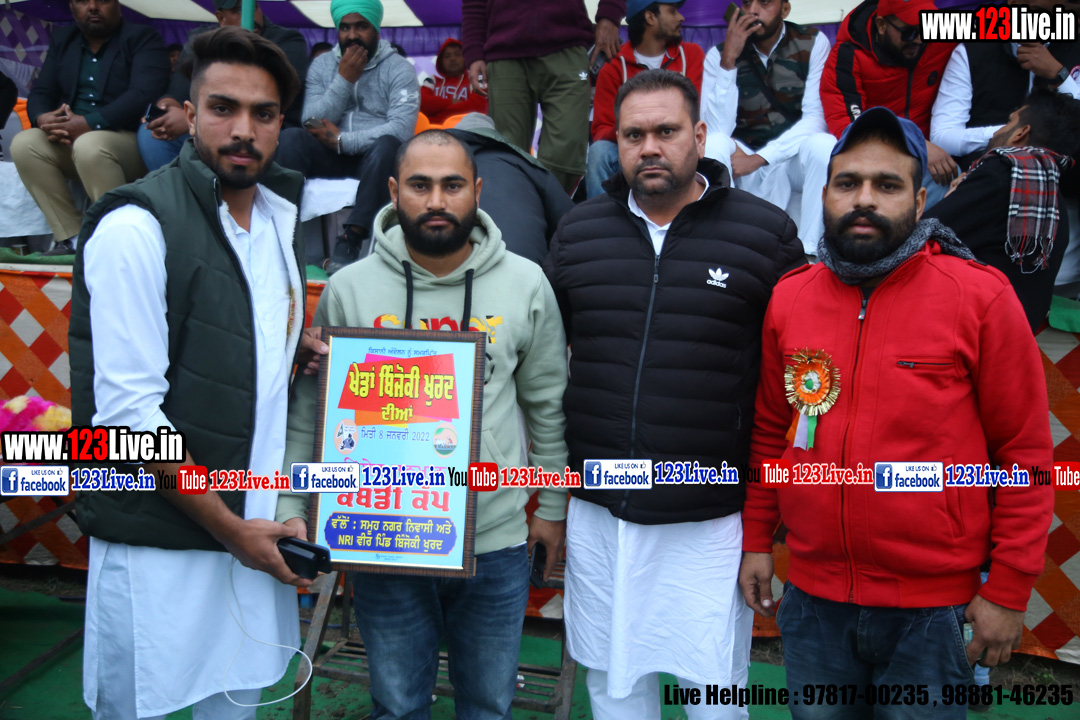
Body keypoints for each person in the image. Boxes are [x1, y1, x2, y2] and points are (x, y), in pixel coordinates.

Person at [740, 107, 1055, 718]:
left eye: (887, 185)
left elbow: (1025, 456)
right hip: (814, 600)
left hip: (933, 613)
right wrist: (757, 540)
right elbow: (771, 433)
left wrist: (1009, 589)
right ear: (825, 194)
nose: (864, 199)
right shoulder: (790, 297)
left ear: (920, 199)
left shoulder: (980, 296)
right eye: (848, 183)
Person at [68, 26, 320, 720]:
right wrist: (231, 530)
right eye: (222, 108)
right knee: (138, 706)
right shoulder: (137, 226)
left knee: (234, 707)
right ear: (187, 111)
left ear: (281, 123)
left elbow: (229, 336)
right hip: (163, 541)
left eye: (263, 113)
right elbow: (129, 419)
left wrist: (290, 350)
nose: (243, 130)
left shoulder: (278, 217)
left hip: (252, 528)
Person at [282, 129, 570, 720]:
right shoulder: (349, 288)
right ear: (393, 192)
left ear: (477, 191)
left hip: (495, 541)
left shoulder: (526, 283)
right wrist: (291, 502)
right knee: (396, 705)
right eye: (420, 185)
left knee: (488, 706)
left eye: (452, 185)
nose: (436, 200)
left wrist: (551, 508)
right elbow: (311, 410)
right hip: (382, 538)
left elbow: (547, 405)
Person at [544, 70, 803, 719]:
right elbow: (543, 360)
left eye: (666, 131)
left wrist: (763, 524)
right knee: (613, 688)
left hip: (707, 519)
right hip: (603, 511)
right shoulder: (578, 234)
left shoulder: (765, 235)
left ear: (700, 135)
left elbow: (792, 387)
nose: (650, 148)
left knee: (713, 694)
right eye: (634, 135)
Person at [10, 0, 169, 255]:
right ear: (72, 7)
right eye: (83, 0)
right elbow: (42, 91)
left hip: (128, 140)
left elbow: (143, 93)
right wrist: (43, 119)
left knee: (89, 144)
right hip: (73, 139)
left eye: (102, 0)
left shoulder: (142, 38)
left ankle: (116, 239)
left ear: (117, 4)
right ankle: (71, 237)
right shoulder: (64, 39)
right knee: (24, 143)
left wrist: (88, 123)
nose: (93, 7)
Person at [275, 0, 419, 275]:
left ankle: (351, 238)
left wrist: (343, 140)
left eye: (361, 26)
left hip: (374, 159)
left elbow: (400, 129)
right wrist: (344, 79)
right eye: (345, 28)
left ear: (376, 29)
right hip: (327, 154)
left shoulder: (399, 68)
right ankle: (281, 229)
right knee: (292, 138)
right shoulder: (322, 66)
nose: (352, 35)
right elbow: (310, 121)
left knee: (389, 146)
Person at [926, 90, 1080, 331]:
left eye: (1008, 122)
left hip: (965, 329)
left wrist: (950, 198)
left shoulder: (1002, 172)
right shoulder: (1053, 196)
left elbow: (920, 235)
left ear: (1020, 133)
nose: (998, 131)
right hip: (1012, 338)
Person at [702, 0, 835, 256]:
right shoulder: (718, 55)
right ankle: (719, 249)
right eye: (747, 2)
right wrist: (729, 61)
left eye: (764, 2)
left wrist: (761, 158)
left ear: (785, 9)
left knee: (824, 146)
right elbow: (716, 129)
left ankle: (811, 253)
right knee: (714, 143)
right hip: (742, 160)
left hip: (790, 159)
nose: (753, 10)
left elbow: (816, 120)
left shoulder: (813, 43)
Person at [462, 0, 627, 193]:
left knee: (567, 152)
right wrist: (474, 52)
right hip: (504, 52)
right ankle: (522, 208)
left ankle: (544, 206)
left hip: (567, 44)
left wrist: (609, 17)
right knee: (506, 152)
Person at [138, 0, 309, 171]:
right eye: (238, 11)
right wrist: (167, 107)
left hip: (263, 128)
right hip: (212, 123)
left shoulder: (287, 40)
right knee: (151, 134)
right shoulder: (202, 40)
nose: (251, 15)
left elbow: (275, 95)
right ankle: (184, 187)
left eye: (254, 7)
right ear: (221, 18)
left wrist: (197, 121)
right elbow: (178, 90)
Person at [821, 0, 957, 208]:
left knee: (958, 177)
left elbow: (996, 27)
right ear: (882, 25)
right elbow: (847, 125)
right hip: (876, 154)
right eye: (909, 32)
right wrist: (915, 142)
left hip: (936, 154)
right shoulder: (848, 54)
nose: (919, 39)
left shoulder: (942, 31)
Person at [586, 1, 702, 198]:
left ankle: (702, 213)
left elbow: (693, 115)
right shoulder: (614, 66)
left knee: (711, 143)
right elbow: (601, 129)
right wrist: (638, 132)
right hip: (633, 151)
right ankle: (601, 215)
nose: (681, 17)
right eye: (672, 11)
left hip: (676, 146)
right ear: (650, 17)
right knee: (599, 152)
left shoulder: (691, 54)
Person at [449, 112, 574, 265]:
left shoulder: (435, 168)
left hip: (454, 269)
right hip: (528, 269)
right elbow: (571, 222)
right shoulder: (528, 165)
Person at [420, 38, 488, 124]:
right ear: (440, 61)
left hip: (464, 129)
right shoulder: (432, 80)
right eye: (447, 56)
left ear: (465, 58)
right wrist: (451, 102)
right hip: (434, 130)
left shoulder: (475, 80)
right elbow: (421, 102)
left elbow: (478, 107)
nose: (452, 59)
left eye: (457, 54)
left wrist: (436, 116)